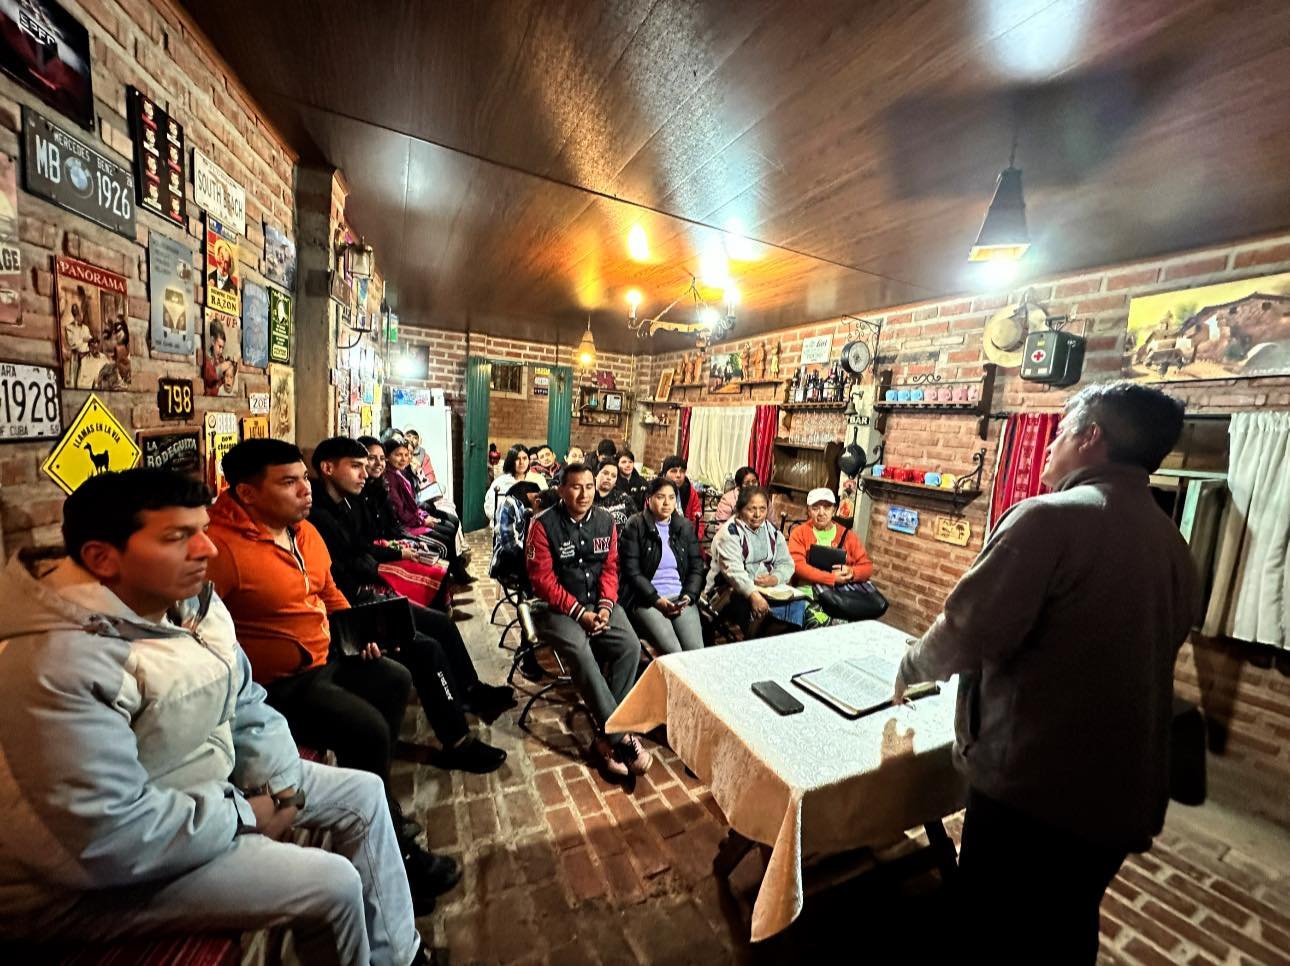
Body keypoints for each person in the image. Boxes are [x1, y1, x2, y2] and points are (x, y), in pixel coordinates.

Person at [0, 469, 428, 963]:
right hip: (91, 879)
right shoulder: (55, 662)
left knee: (365, 794)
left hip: (208, 791)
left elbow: (243, 699)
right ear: (102, 557)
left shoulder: (189, 602)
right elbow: (108, 834)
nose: (207, 549)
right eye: (177, 537)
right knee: (332, 885)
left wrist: (280, 782)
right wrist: (245, 815)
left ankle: (400, 953)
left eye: (202, 529)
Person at [893, 382, 1201, 963]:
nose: (1051, 445)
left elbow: (967, 629)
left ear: (1091, 438)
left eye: (1061, 432)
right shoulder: (1173, 545)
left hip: (1034, 787)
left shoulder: (1048, 520)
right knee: (1066, 923)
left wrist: (911, 665)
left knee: (991, 924)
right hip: (1120, 790)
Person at [203, 439, 460, 899]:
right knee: (366, 729)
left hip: (327, 654)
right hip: (278, 683)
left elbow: (328, 592)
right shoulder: (221, 549)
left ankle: (379, 809)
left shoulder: (302, 531)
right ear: (247, 493)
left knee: (394, 677)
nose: (306, 490)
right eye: (289, 482)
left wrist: (357, 635)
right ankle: (391, 852)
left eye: (304, 478)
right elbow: (205, 632)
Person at [309, 437, 513, 771]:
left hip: (360, 596)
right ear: (328, 468)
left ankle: (470, 690)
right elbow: (345, 569)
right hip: (350, 610)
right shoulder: (317, 517)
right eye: (356, 466)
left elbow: (363, 547)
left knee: (440, 623)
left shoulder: (348, 503)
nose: (366, 473)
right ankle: (456, 742)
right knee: (426, 648)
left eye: (366, 465)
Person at [526, 464, 652, 777]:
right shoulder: (542, 525)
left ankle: (603, 738)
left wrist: (606, 608)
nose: (584, 494)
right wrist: (580, 614)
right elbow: (543, 582)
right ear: (561, 490)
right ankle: (620, 738)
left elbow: (610, 568)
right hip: (555, 608)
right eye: (576, 487)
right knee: (581, 652)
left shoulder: (605, 521)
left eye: (589, 487)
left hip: (598, 602)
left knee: (630, 646)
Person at [619, 477, 705, 654]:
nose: (667, 503)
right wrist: (656, 600)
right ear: (649, 499)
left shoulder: (684, 526)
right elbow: (632, 572)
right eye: (660, 497)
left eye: (671, 497)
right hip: (646, 600)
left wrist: (688, 596)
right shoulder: (635, 525)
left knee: (696, 651)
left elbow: (697, 566)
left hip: (680, 597)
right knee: (674, 652)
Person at [703, 486, 797, 636]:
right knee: (759, 615)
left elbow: (786, 563)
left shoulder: (772, 531)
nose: (757, 515)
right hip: (729, 591)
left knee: (797, 609)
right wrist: (753, 594)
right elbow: (734, 572)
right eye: (751, 509)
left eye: (762, 509)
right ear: (740, 509)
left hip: (767, 589)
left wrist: (775, 578)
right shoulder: (730, 533)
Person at [490, 479, 543, 591]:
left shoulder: (533, 507)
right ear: (527, 493)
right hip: (508, 557)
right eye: (536, 496)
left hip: (526, 553)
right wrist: (529, 553)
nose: (538, 500)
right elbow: (508, 541)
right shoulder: (509, 504)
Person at [484, 444, 547, 525]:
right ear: (511, 461)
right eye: (517, 459)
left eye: (524, 458)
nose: (521, 462)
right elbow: (490, 507)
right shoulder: (500, 482)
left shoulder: (538, 480)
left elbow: (546, 506)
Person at [661, 455, 703, 532]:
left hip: (685, 535)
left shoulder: (690, 491)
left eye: (682, 471)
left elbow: (699, 522)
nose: (678, 475)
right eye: (674, 471)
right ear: (664, 474)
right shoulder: (656, 492)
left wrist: (694, 536)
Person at [593, 459, 636, 529]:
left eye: (613, 476)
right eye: (605, 473)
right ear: (596, 474)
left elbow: (635, 525)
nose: (609, 478)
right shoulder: (586, 498)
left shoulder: (624, 499)